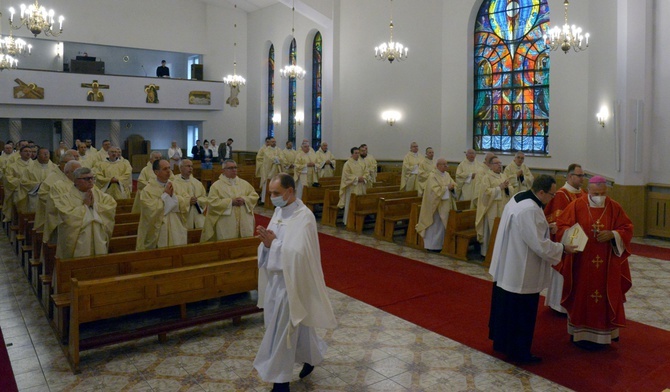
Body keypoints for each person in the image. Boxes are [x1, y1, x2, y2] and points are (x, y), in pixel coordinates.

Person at [254, 173, 337, 392]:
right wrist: (265, 243)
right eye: (270, 193)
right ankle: (311, 358)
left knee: (282, 333)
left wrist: (274, 244)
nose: (272, 198)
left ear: (290, 192)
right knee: (298, 328)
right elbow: (274, 243)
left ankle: (280, 384)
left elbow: (299, 254)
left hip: (293, 283)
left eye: (276, 193)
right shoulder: (279, 210)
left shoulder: (304, 216)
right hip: (276, 281)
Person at [488, 175, 578, 363]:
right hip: (521, 269)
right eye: (551, 195)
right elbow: (539, 245)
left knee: (506, 309)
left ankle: (502, 344)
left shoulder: (520, 197)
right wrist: (562, 248)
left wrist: (547, 227)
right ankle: (519, 353)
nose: (553, 198)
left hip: (509, 264)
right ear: (541, 192)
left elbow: (529, 229)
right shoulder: (530, 209)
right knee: (522, 314)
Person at [555, 176, 634, 349]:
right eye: (596, 193)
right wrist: (574, 236)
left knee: (605, 296)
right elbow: (561, 227)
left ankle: (604, 336)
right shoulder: (576, 205)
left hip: (607, 263)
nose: (599, 196)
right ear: (588, 190)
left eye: (603, 193)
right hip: (581, 262)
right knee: (581, 295)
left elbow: (627, 228)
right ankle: (580, 333)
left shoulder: (614, 206)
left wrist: (613, 234)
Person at [543, 163, 587, 313]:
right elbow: (555, 219)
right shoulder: (562, 194)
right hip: (566, 239)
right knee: (563, 272)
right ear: (570, 176)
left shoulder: (583, 193)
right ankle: (558, 305)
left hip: (582, 238)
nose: (582, 178)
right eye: (579, 175)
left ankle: (574, 303)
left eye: (583, 175)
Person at [52, 167, 116, 259]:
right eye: (86, 179)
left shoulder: (99, 194)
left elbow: (111, 206)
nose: (90, 181)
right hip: (78, 239)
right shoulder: (65, 198)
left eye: (92, 178)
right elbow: (67, 217)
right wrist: (85, 207)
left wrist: (94, 206)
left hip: (98, 236)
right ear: (75, 181)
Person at [136, 159, 189, 250]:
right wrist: (165, 196)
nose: (169, 171)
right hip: (160, 229)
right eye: (165, 169)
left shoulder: (176, 185)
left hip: (176, 226)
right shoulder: (148, 190)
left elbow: (186, 199)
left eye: (169, 168)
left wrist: (174, 197)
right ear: (156, 172)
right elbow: (150, 210)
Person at [201, 160, 259, 242]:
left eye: (235, 167)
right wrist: (230, 202)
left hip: (244, 221)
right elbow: (212, 202)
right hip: (226, 222)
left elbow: (254, 196)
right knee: (227, 244)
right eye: (230, 168)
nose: (234, 170)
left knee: (244, 244)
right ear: (223, 170)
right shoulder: (216, 186)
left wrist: (244, 200)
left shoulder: (244, 184)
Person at [476, 156, 513, 257]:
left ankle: (499, 253)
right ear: (491, 165)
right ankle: (487, 253)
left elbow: (510, 189)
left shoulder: (503, 176)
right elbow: (485, 193)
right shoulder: (486, 177)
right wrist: (499, 188)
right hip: (491, 208)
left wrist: (506, 188)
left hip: (502, 207)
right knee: (491, 230)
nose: (499, 165)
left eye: (500, 163)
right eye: (497, 163)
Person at [416, 158, 456, 251]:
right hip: (435, 206)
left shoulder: (447, 175)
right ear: (438, 165)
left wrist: (452, 188)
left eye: (447, 164)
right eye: (444, 164)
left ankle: (440, 245)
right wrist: (446, 188)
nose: (446, 166)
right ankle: (431, 246)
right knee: (434, 225)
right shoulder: (432, 176)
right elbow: (433, 191)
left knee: (442, 226)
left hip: (445, 205)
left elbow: (454, 185)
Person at [337, 147, 370, 225]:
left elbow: (367, 172)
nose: (357, 155)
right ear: (352, 154)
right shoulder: (347, 164)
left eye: (358, 153)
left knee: (359, 204)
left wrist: (364, 178)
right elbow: (346, 176)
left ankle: (359, 222)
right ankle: (348, 221)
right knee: (350, 204)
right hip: (352, 187)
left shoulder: (362, 162)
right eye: (355, 153)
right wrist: (357, 179)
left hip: (361, 186)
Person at [173, 159, 207, 229]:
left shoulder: (197, 183)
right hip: (183, 216)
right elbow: (173, 199)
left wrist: (197, 200)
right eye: (188, 166)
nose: (190, 168)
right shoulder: (174, 183)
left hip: (197, 215)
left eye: (191, 166)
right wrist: (188, 201)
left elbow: (205, 198)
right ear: (181, 168)